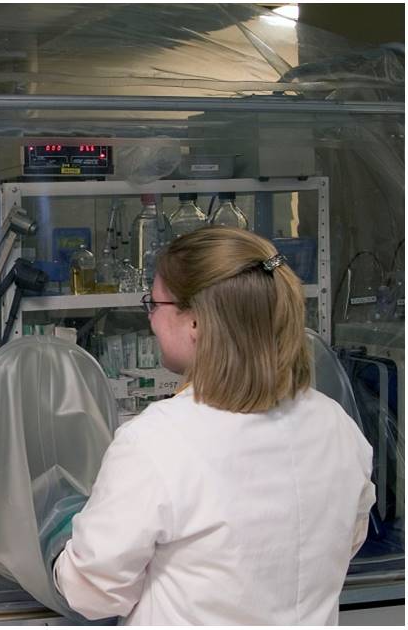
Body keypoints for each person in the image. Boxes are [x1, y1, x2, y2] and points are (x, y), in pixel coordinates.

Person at [49, 226, 375, 624]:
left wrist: (58, 545)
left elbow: (93, 592)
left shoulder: (157, 442)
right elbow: (347, 540)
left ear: (196, 323)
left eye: (155, 303)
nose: (151, 320)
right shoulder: (336, 426)